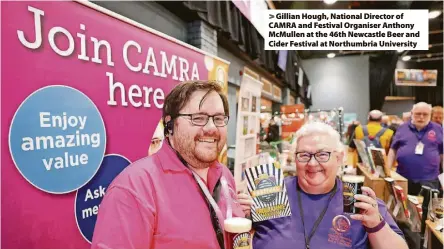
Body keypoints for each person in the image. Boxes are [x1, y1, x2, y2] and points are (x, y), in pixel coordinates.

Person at [92, 81, 253, 249]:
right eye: (198, 118)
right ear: (169, 126)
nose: (212, 128)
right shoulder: (134, 188)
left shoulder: (224, 175)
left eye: (219, 119)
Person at [252, 122, 407, 249]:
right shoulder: (272, 192)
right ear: (295, 159)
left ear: (339, 158)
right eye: (304, 155)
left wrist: (376, 225)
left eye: (322, 155)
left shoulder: (357, 200)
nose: (312, 163)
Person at [387, 102, 443, 195]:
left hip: (429, 179)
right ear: (412, 114)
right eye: (418, 114)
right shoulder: (402, 128)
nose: (421, 117)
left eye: (425, 114)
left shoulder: (438, 129)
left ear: (430, 115)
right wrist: (387, 171)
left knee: (427, 208)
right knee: (403, 207)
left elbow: (442, 154)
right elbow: (393, 150)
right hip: (403, 178)